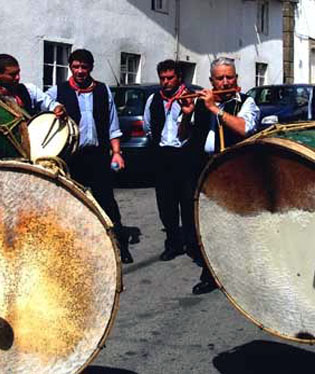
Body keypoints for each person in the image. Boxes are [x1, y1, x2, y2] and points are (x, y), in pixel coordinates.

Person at [46, 49, 131, 263]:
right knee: (72, 203)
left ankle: (119, 246)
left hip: (98, 156)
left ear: (91, 67)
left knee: (107, 202)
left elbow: (113, 125)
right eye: (76, 67)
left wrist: (117, 153)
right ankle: (76, 248)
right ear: (70, 68)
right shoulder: (58, 92)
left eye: (84, 67)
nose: (80, 71)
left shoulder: (102, 90)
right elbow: (42, 112)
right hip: (72, 158)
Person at [188, 57, 260, 294]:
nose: (226, 81)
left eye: (230, 76)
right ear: (212, 81)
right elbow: (182, 136)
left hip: (235, 171)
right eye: (220, 78)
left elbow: (244, 127)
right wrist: (188, 114)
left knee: (239, 225)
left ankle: (244, 275)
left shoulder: (248, 103)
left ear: (236, 78)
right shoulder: (201, 103)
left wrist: (214, 109)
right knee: (209, 227)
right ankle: (210, 274)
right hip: (205, 171)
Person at [142, 59, 199, 262]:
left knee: (187, 203)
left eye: (170, 77)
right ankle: (173, 243)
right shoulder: (153, 100)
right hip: (162, 156)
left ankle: (193, 245)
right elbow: (147, 127)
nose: (166, 82)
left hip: (184, 156)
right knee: (166, 204)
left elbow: (193, 129)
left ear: (179, 78)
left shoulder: (191, 98)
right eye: (162, 78)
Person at [0, 53, 65, 117]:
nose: (18, 77)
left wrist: (57, 107)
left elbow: (50, 104)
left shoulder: (30, 90)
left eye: (18, 73)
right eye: (12, 74)